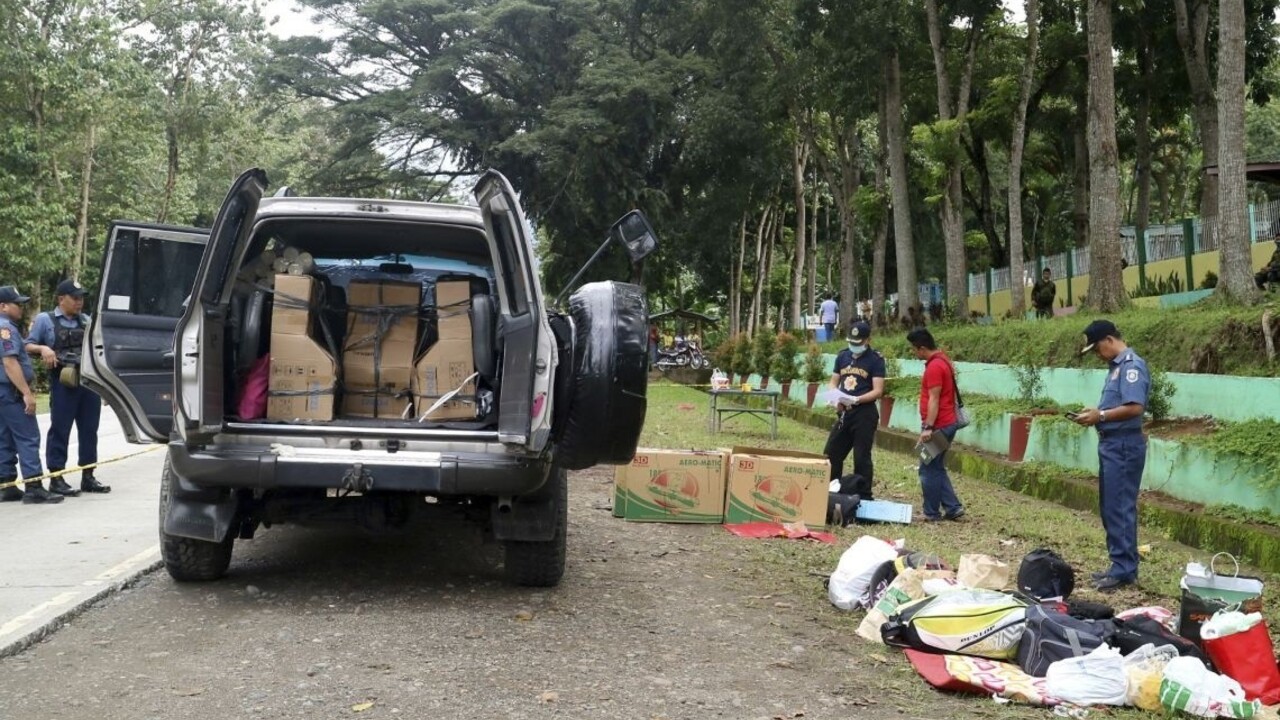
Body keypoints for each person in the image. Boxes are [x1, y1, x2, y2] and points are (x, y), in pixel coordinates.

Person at [1071, 319, 1149, 593]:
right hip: (1112, 445)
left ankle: (1124, 570)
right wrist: (1095, 413)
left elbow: (1135, 407)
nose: (1097, 355)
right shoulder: (1116, 368)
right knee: (1110, 507)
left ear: (1109, 340)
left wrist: (1100, 415)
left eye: (1097, 349)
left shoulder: (1131, 367)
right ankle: (1119, 564)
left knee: (1120, 507)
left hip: (1124, 445)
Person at [28, 278, 109, 495]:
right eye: (74, 298)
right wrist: (43, 348)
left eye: (81, 298)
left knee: (89, 430)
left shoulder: (86, 320)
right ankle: (56, 478)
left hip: (88, 382)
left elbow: (99, 350)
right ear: (61, 299)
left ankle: (88, 476)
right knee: (60, 429)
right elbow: (26, 345)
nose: (79, 302)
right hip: (63, 382)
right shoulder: (45, 320)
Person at [0, 286, 63, 504]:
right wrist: (26, 392)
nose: (21, 308)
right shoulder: (5, 328)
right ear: (3, 306)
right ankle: (34, 486)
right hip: (11, 392)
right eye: (17, 304)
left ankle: (5, 483)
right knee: (28, 436)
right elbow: (10, 362)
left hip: (3, 392)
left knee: (4, 436)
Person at [908, 327, 964, 521]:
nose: (914, 353)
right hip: (947, 423)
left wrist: (928, 428)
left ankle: (931, 512)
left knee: (927, 468)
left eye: (914, 349)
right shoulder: (943, 360)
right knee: (936, 466)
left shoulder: (934, 367)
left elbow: (934, 398)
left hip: (938, 425)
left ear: (922, 348)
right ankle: (952, 507)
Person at [822, 321, 885, 487]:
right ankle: (831, 490)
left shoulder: (875, 360)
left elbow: (878, 390)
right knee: (831, 453)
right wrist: (835, 398)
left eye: (858, 343)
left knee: (861, 457)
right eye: (851, 342)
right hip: (844, 412)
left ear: (868, 340)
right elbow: (833, 382)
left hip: (864, 414)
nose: (854, 346)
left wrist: (857, 399)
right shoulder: (842, 356)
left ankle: (863, 494)